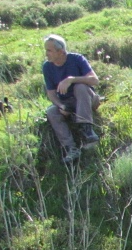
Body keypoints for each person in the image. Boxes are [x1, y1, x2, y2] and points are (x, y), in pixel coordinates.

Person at [42, 34, 100, 163]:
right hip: (68, 103)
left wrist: (71, 79)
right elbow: (51, 93)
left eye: (49, 50)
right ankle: (70, 148)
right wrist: (60, 105)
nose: (46, 54)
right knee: (51, 111)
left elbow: (95, 80)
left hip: (88, 99)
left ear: (60, 51)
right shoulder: (47, 67)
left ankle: (87, 129)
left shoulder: (77, 59)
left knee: (79, 87)